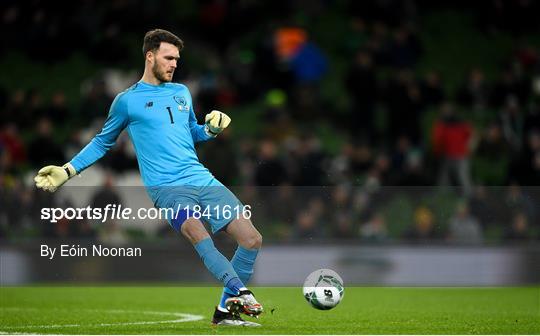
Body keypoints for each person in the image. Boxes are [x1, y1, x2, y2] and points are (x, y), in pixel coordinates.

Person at [34, 29, 263, 327]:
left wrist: (209, 130)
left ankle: (224, 312)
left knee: (252, 239)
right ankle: (240, 292)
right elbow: (103, 141)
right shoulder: (127, 101)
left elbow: (190, 133)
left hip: (200, 179)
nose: (174, 64)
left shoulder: (181, 92)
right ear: (150, 56)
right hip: (167, 188)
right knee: (199, 234)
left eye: (177, 60)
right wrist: (67, 170)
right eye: (169, 58)